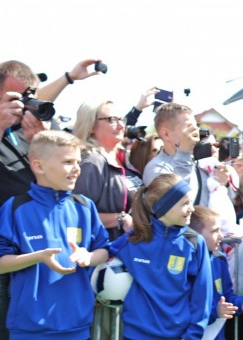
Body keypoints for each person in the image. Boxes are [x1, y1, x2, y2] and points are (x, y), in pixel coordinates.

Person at [0, 59, 100, 339]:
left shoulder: (28, 131)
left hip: (36, 257)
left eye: (29, 97)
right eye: (16, 98)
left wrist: (68, 78)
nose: (25, 105)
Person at [0, 130, 110, 339]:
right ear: (39, 166)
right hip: (29, 327)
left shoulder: (85, 207)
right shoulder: (16, 208)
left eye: (78, 162)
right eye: (68, 162)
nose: (77, 169)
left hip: (77, 324)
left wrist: (89, 257)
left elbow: (103, 250)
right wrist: (38, 257)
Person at [109, 173, 212, 339]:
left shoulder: (194, 243)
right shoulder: (134, 239)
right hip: (134, 335)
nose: (192, 208)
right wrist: (87, 257)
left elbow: (202, 296)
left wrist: (193, 335)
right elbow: (105, 254)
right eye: (185, 203)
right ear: (163, 207)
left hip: (177, 336)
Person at [189, 206, 243, 340]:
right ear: (196, 235)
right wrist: (215, 312)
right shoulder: (188, 264)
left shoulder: (219, 259)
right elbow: (186, 307)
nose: (221, 235)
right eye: (214, 231)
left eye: (220, 229)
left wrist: (242, 303)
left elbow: (226, 296)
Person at [73, 100, 144, 241]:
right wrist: (119, 219)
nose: (121, 125)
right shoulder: (92, 162)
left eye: (121, 119)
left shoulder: (124, 158)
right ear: (91, 126)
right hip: (104, 253)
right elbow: (77, 214)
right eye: (112, 120)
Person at [143, 102, 230, 207]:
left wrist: (221, 182)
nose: (196, 132)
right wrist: (183, 153)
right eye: (189, 127)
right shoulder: (155, 168)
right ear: (166, 134)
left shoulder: (200, 162)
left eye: (196, 127)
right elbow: (180, 203)